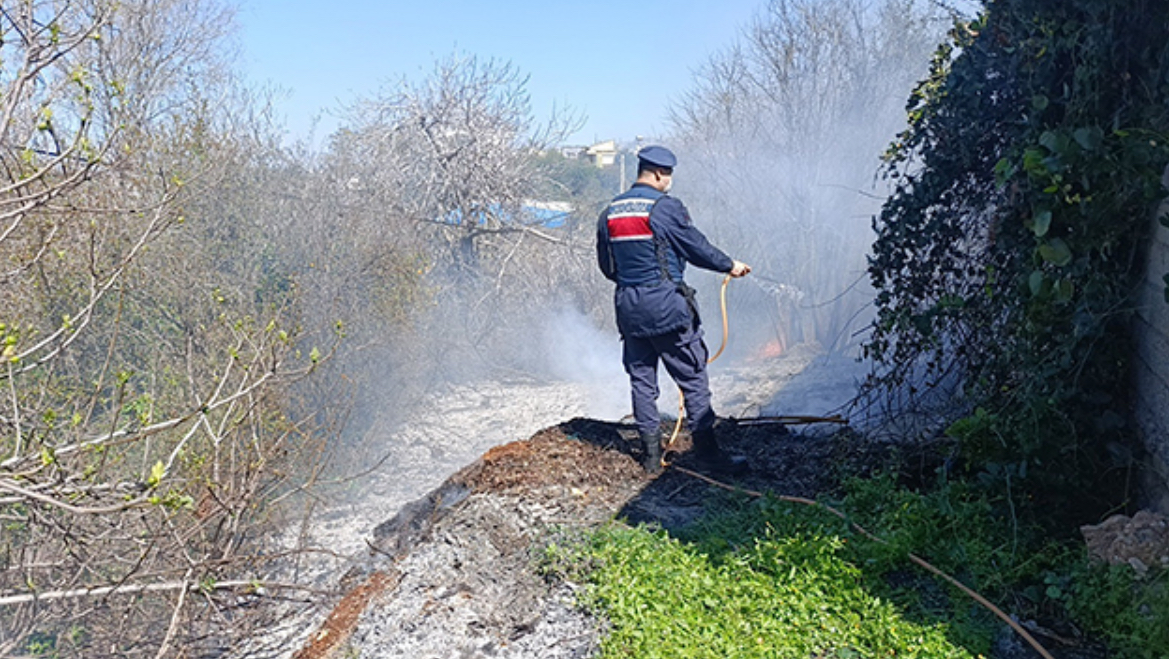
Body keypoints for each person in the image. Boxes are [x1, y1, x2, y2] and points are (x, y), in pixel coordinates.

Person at [596, 145, 751, 475]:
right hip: (667, 309)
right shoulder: (665, 208)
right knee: (693, 378)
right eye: (668, 176)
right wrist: (729, 265)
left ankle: (651, 461)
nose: (669, 182)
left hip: (629, 309)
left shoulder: (609, 212)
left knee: (641, 382)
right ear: (657, 174)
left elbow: (607, 267)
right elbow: (696, 247)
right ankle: (709, 456)